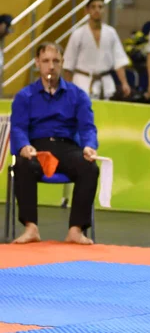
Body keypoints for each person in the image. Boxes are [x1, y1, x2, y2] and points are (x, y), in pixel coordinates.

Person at [9, 42, 99, 245]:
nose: (51, 66)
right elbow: (18, 128)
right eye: (46, 61)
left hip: (67, 147)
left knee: (89, 168)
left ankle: (76, 230)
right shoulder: (25, 96)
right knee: (22, 165)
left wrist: (89, 146)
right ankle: (31, 228)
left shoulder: (78, 95)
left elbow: (87, 127)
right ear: (37, 63)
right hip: (37, 147)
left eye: (56, 61)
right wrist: (23, 146)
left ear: (62, 63)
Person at [63, 0, 131, 100]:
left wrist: (124, 83)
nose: (97, 10)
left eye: (100, 7)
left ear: (104, 10)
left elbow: (119, 60)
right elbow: (68, 64)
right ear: (87, 10)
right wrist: (67, 88)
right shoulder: (78, 34)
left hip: (106, 84)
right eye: (93, 7)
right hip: (82, 83)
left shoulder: (111, 32)